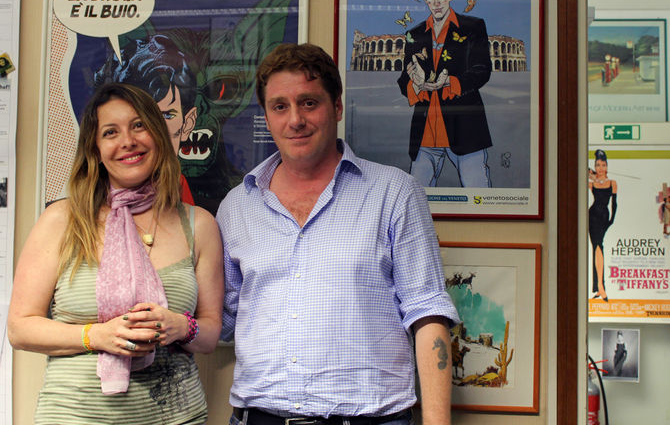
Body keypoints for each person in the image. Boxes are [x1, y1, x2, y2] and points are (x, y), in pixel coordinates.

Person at [217, 43, 460, 425]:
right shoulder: (237, 205)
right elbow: (220, 321)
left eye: (309, 103)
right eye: (279, 106)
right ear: (266, 116)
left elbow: (427, 313)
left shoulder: (394, 193)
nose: (295, 120)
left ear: (337, 107)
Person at [8, 83, 223, 424]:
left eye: (139, 125)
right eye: (111, 132)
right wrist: (96, 335)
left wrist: (181, 326)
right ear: (95, 149)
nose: (128, 141)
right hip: (75, 416)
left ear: (157, 134)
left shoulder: (200, 225)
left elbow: (210, 334)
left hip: (177, 417)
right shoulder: (62, 220)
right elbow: (20, 328)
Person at [397, 0, 492, 188]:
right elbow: (403, 80)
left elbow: (482, 70)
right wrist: (416, 84)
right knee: (414, 199)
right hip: (425, 135)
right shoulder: (414, 34)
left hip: (465, 130)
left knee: (479, 197)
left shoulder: (473, 27)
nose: (437, 2)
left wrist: (449, 82)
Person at [94, 35, 199, 205]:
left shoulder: (193, 213)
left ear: (188, 124)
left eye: (166, 115)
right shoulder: (65, 215)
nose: (151, 132)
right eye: (139, 122)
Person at [588, 149, 617, 301]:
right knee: (597, 247)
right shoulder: (592, 184)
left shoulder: (612, 183)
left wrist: (611, 220)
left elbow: (614, 204)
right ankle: (600, 287)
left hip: (604, 217)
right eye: (597, 165)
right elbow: (579, 174)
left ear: (607, 166)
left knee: (599, 247)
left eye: (603, 165)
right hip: (592, 216)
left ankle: (600, 286)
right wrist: (592, 175)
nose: (600, 168)